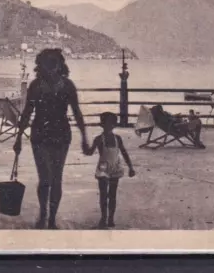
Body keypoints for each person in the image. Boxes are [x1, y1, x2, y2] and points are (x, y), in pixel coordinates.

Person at [13, 48, 90, 229]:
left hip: (61, 136)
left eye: (54, 63)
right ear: (41, 65)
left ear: (60, 65)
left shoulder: (68, 86)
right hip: (39, 135)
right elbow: (27, 113)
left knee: (56, 179)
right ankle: (43, 213)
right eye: (47, 63)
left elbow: (77, 113)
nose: (51, 67)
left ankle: (52, 218)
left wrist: (84, 137)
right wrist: (18, 138)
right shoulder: (35, 86)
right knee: (45, 179)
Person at [85, 112, 135, 229]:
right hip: (103, 167)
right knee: (103, 194)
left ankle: (110, 218)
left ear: (114, 125)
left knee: (112, 195)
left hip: (115, 166)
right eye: (106, 124)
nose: (108, 126)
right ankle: (103, 218)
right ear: (102, 125)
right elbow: (91, 152)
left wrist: (131, 167)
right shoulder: (98, 139)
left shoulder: (118, 138)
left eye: (110, 124)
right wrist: (86, 148)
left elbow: (124, 152)